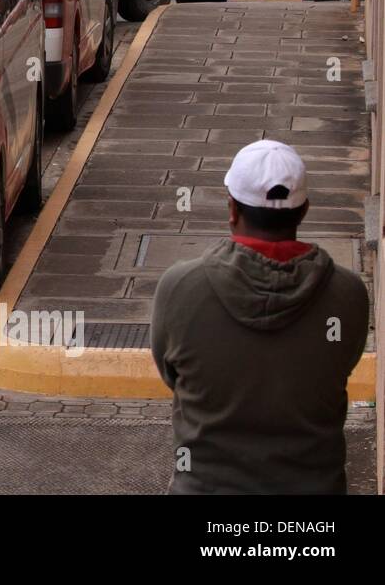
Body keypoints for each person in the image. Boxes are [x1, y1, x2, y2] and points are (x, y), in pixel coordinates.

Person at [151, 140, 369, 494]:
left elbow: (171, 375)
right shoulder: (348, 295)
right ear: (304, 211)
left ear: (232, 210)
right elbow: (343, 362)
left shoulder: (179, 289)